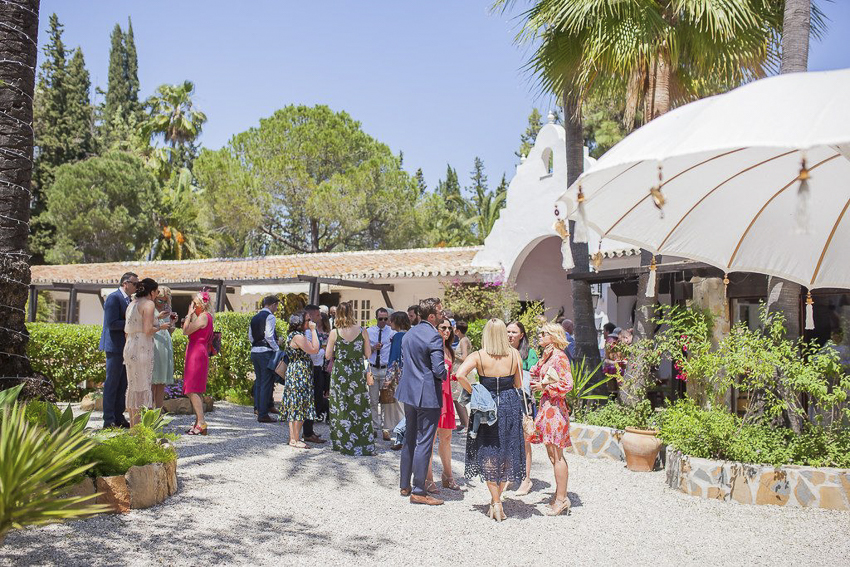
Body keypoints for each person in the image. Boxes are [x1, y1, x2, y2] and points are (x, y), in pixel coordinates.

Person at [455, 318, 525, 521]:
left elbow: (460, 375)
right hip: (510, 404)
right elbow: (518, 384)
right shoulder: (514, 355)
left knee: (488, 451)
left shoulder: (478, 355)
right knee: (508, 451)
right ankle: (498, 499)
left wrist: (474, 391)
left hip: (487, 407)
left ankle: (496, 501)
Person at [396, 297, 447, 506]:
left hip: (409, 392)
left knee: (409, 438)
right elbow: (438, 369)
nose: (443, 315)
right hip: (427, 394)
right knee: (424, 441)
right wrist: (446, 374)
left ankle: (404, 485)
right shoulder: (433, 336)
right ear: (432, 316)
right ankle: (418, 490)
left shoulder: (409, 333)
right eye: (440, 312)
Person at [528, 322, 574, 516]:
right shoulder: (550, 356)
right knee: (552, 455)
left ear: (553, 336)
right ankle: (559, 495)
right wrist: (542, 360)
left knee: (557, 455)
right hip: (548, 408)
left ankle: (562, 499)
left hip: (555, 410)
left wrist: (545, 387)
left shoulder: (560, 357)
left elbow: (568, 384)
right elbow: (534, 372)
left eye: (543, 333)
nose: (540, 336)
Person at [325, 301, 375, 456]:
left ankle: (341, 442)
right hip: (356, 371)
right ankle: (361, 442)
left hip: (340, 371)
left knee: (340, 405)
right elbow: (368, 354)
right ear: (352, 312)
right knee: (359, 406)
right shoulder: (362, 330)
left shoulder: (334, 332)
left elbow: (327, 355)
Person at [124, 278, 168, 426]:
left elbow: (128, 329)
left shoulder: (132, 304)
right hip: (142, 347)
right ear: (152, 291)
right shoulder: (149, 304)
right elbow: (148, 329)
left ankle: (133, 427)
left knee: (133, 387)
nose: (157, 295)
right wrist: (160, 327)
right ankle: (139, 429)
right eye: (156, 291)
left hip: (130, 345)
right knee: (142, 387)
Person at [99, 272, 138, 428]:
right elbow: (112, 323)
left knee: (123, 383)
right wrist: (133, 322)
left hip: (125, 347)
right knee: (112, 383)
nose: (137, 287)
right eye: (135, 284)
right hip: (115, 347)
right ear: (125, 283)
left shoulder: (129, 300)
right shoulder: (113, 298)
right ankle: (108, 420)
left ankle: (119, 416)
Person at [425, 317, 459, 491]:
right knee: (429, 440)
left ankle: (448, 475)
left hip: (447, 397)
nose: (447, 331)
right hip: (432, 396)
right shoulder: (430, 347)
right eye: (443, 327)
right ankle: (428, 478)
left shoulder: (448, 349)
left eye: (449, 328)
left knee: (446, 438)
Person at [507, 320, 539, 496]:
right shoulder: (502, 351)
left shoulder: (530, 353)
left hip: (523, 400)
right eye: (508, 331)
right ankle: (511, 474)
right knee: (508, 438)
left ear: (522, 335)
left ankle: (526, 479)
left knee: (525, 440)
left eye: (514, 332)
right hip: (506, 399)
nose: (510, 335)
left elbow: (534, 376)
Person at [282, 311, 320, 448]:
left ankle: (294, 438)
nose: (310, 322)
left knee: (297, 404)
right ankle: (295, 439)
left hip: (298, 372)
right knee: (299, 404)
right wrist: (313, 331)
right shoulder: (298, 336)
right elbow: (314, 349)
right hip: (299, 373)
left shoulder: (294, 335)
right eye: (307, 320)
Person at [182, 291, 215, 435]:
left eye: (195, 303)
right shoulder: (207, 317)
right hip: (198, 351)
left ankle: (201, 422)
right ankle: (198, 422)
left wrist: (188, 315)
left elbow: (185, 331)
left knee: (191, 389)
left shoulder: (203, 317)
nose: (193, 306)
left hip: (196, 353)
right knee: (197, 389)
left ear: (202, 304)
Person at [366, 307, 396, 440]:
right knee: (373, 400)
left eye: (385, 319)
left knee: (386, 401)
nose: (383, 321)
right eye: (380, 319)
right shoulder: (369, 331)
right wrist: (373, 348)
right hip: (373, 369)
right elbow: (364, 350)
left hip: (385, 369)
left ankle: (386, 428)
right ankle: (374, 427)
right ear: (376, 318)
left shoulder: (392, 332)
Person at [250, 296, 280, 423]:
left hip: (254, 351)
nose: (277, 308)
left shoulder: (254, 317)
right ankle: (263, 414)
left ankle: (257, 408)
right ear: (273, 305)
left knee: (259, 381)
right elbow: (269, 335)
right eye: (276, 306)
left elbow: (251, 337)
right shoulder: (270, 317)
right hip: (265, 351)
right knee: (266, 383)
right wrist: (277, 348)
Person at [302, 304, 327, 444]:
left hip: (317, 368)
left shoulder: (312, 331)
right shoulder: (307, 333)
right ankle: (307, 432)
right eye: (318, 315)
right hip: (313, 368)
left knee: (316, 399)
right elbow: (313, 352)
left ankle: (309, 430)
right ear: (310, 316)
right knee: (313, 399)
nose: (320, 317)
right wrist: (323, 351)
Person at [387, 310, 411, 450]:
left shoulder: (398, 336)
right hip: (412, 375)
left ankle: (400, 438)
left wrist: (388, 378)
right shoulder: (411, 334)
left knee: (401, 409)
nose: (390, 322)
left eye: (392, 320)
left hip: (400, 376)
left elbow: (394, 359)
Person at [151, 285, 177, 408]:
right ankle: (149, 411)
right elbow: (145, 327)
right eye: (160, 300)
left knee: (161, 382)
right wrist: (158, 318)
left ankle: (159, 411)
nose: (162, 303)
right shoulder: (150, 308)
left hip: (165, 344)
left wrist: (172, 324)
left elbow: (169, 331)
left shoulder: (167, 309)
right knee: (152, 381)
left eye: (165, 301)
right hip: (154, 343)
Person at [451, 320, 472, 431]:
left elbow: (464, 357)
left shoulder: (463, 340)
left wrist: (453, 354)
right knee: (456, 398)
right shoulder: (463, 340)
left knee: (458, 398)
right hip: (458, 370)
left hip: (460, 370)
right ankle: (463, 423)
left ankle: (466, 424)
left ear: (458, 330)